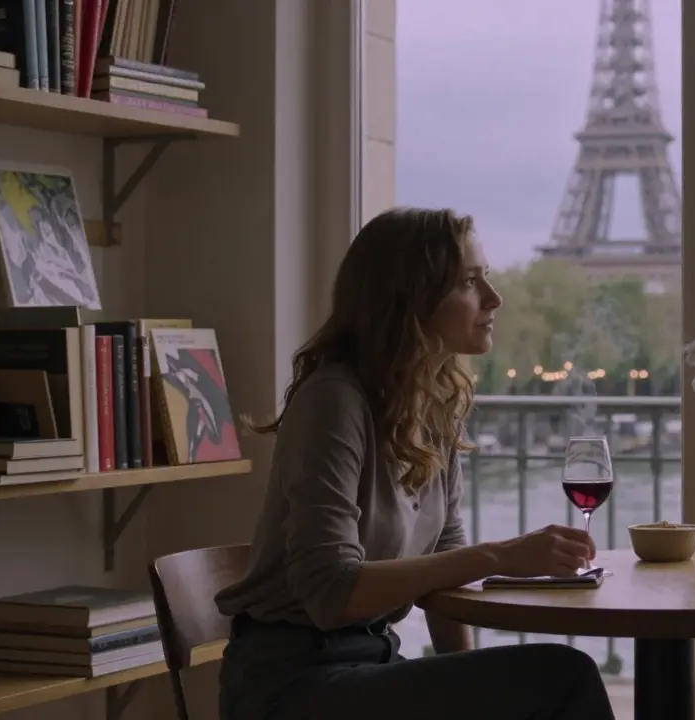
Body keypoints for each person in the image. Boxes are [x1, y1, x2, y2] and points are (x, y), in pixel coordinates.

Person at [213, 207, 616, 720]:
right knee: (566, 677)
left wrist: (477, 691)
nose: (494, 298)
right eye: (470, 281)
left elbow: (444, 565)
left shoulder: (437, 406)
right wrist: (498, 556)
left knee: (553, 682)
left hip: (370, 665)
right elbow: (330, 594)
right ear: (410, 299)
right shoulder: (334, 401)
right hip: (291, 684)